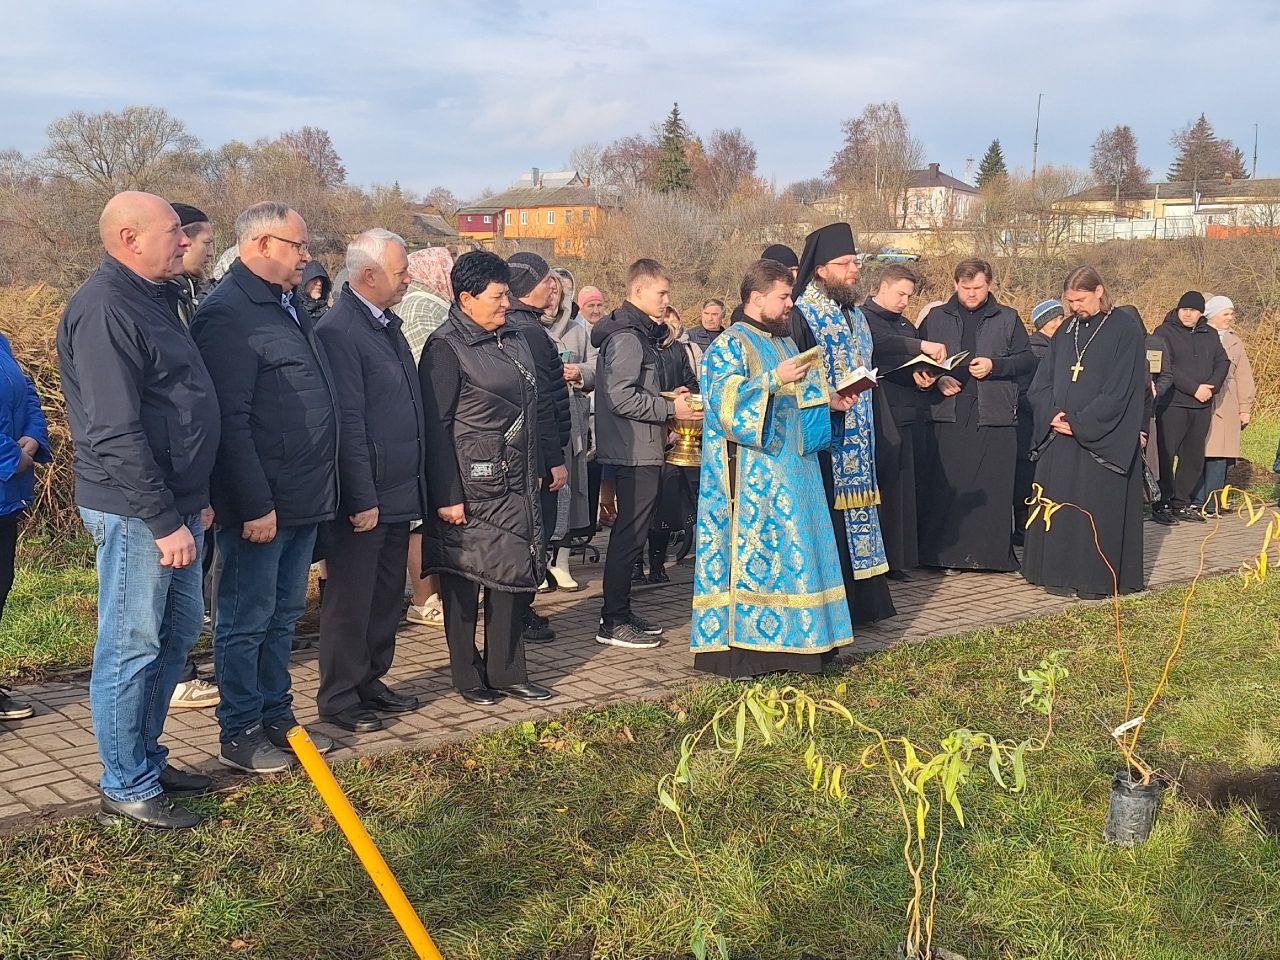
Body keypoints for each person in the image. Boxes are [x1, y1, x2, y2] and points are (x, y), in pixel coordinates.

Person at [58, 191, 220, 829]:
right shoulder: (104, 308)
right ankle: (125, 783)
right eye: (174, 232)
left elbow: (178, 406)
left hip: (177, 506)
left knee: (177, 634)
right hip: (134, 511)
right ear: (130, 238)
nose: (184, 242)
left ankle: (146, 758)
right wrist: (162, 519)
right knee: (131, 644)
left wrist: (196, 502)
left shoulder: (154, 299)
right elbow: (113, 432)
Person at [192, 201, 338, 773]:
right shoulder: (229, 314)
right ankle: (241, 729)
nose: (307, 255)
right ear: (259, 244)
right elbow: (229, 417)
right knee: (244, 617)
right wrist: (253, 502)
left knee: (281, 615)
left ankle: (279, 718)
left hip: (302, 495)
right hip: (263, 502)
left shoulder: (287, 305)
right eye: (296, 245)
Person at [693, 259, 857, 677]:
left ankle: (808, 642)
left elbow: (802, 398)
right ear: (756, 297)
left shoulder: (785, 344)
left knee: (803, 554)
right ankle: (758, 648)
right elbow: (723, 410)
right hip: (754, 478)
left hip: (797, 468)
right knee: (769, 557)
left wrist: (832, 401)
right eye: (783, 297)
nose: (790, 305)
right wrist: (769, 380)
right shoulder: (729, 344)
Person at [419, 251, 553, 705]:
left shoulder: (512, 338)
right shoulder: (445, 347)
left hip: (514, 480)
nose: (505, 303)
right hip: (471, 487)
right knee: (464, 580)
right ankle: (467, 675)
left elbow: (532, 407)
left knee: (512, 577)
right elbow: (435, 426)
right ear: (466, 298)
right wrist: (447, 494)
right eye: (497, 296)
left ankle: (508, 671)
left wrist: (540, 463)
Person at [790, 224, 939, 624]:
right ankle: (834, 605)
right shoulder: (801, 311)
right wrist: (830, 396)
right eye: (846, 263)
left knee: (862, 513)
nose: (854, 269)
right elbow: (796, 370)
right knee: (831, 516)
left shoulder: (853, 311)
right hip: (825, 433)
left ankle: (864, 603)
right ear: (821, 269)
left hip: (861, 428)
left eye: (856, 261)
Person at [313, 230, 426, 733]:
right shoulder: (341, 330)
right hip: (366, 494)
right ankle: (339, 696)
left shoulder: (387, 325)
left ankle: (370, 679)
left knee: (385, 595)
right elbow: (348, 421)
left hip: (399, 488)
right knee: (351, 599)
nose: (408, 279)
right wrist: (360, 495)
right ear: (367, 276)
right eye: (400, 272)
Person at [592, 259, 702, 648]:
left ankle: (620, 610)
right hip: (632, 449)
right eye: (661, 293)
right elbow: (620, 396)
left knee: (633, 534)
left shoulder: (639, 333)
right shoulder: (627, 337)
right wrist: (671, 409)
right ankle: (612, 620)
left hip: (643, 445)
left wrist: (671, 400)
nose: (666, 300)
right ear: (638, 292)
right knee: (628, 536)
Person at [1022, 266, 1148, 599]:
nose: (1075, 307)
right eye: (1070, 301)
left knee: (1094, 509)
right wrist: (1052, 415)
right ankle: (1056, 575)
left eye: (1080, 299)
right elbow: (1043, 380)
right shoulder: (1066, 330)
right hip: (1059, 434)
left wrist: (1079, 422)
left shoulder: (1125, 330)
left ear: (1099, 291)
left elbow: (1121, 389)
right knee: (1060, 507)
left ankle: (1094, 580)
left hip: (1100, 439)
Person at [915, 258, 1034, 572]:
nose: (971, 294)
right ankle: (940, 556)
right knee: (947, 486)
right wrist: (936, 379)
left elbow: (1027, 360)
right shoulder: (936, 317)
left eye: (978, 288)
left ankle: (991, 556)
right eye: (965, 288)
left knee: (991, 488)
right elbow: (916, 361)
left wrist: (996, 365)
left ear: (990, 285)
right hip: (946, 413)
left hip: (993, 413)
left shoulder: (1008, 318)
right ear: (955, 285)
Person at [163, 202, 224, 710]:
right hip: (156, 489)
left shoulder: (185, 295)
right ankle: (177, 675)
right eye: (203, 242)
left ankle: (179, 669)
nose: (202, 251)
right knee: (147, 620)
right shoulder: (129, 304)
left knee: (183, 606)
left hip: (190, 481)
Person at [503, 253, 569, 639]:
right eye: (546, 279)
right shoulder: (524, 330)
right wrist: (553, 459)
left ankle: (520, 607)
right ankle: (519, 611)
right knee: (532, 534)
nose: (552, 286)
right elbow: (540, 399)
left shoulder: (525, 325)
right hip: (538, 456)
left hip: (537, 451)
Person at [861, 264, 929, 579]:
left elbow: (908, 360)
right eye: (901, 293)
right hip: (877, 411)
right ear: (884, 286)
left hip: (907, 410)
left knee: (902, 487)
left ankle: (898, 557)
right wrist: (920, 347)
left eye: (909, 296)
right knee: (882, 484)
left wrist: (923, 374)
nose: (905, 301)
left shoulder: (905, 324)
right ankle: (877, 556)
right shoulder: (863, 318)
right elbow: (881, 343)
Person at [398, 246, 455, 628]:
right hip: (422, 421)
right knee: (418, 521)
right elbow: (426, 371)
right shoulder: (423, 307)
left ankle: (432, 593)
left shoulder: (429, 302)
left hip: (420, 423)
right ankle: (423, 597)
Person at [0, 328, 51, 725]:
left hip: (5, 498)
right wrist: (9, 458)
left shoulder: (2, 341)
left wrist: (32, 440)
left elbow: (29, 396)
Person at [1150, 291, 1229, 523]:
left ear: (1200, 313)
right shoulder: (1163, 332)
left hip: (1201, 406)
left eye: (1193, 310)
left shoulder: (1210, 334)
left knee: (1193, 457)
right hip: (1173, 404)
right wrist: (1194, 388)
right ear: (1178, 309)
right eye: (1184, 309)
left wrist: (1211, 387)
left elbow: (1222, 362)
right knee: (1166, 454)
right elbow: (1167, 366)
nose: (1187, 313)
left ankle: (1181, 503)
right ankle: (1161, 503)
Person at [636, 310, 699, 584]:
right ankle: (636, 564)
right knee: (640, 503)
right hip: (645, 428)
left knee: (666, 502)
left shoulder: (677, 350)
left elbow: (693, 383)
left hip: (675, 429)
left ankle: (658, 562)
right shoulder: (640, 345)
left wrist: (686, 390)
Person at [544, 267, 594, 591]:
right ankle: (540, 560)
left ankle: (561, 559)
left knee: (572, 487)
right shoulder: (529, 327)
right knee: (548, 486)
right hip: (546, 416)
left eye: (559, 293)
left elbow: (596, 365)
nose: (553, 299)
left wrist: (579, 372)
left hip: (574, 415)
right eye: (549, 291)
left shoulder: (579, 328)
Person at [1193, 296, 1255, 514]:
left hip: (1227, 402)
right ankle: (1196, 498)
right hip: (1199, 398)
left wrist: (1244, 408)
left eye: (1231, 313)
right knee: (1197, 451)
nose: (1230, 318)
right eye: (1225, 314)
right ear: (1213, 315)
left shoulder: (1235, 341)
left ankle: (1212, 501)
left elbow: (1243, 376)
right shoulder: (1197, 335)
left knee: (1220, 455)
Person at [1013, 300, 1067, 538]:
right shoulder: (1035, 350)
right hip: (1033, 422)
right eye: (1054, 319)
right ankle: (1023, 526)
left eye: (1060, 318)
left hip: (1055, 420)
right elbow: (1025, 391)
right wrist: (1045, 411)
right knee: (1027, 477)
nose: (1058, 323)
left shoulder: (1061, 348)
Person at [296, 259, 332, 323]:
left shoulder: (331, 316)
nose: (319, 283)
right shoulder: (293, 314)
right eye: (314, 278)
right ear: (303, 281)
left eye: (321, 279)